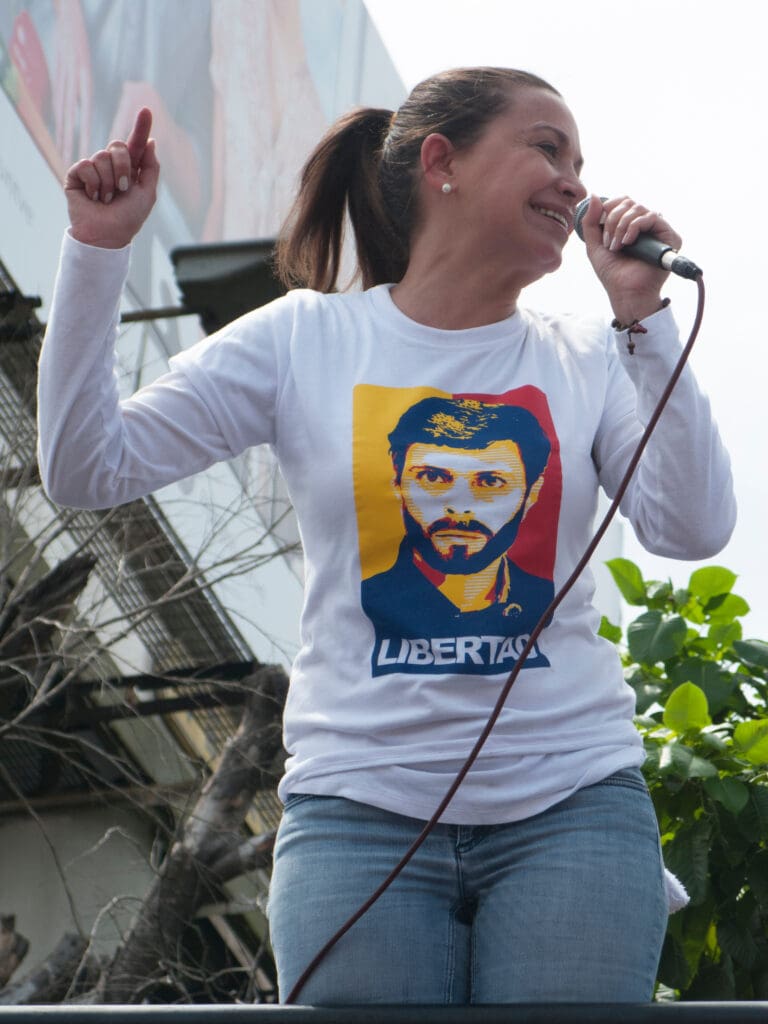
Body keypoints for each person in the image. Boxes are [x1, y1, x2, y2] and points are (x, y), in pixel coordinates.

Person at [37, 68, 736, 1005]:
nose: (577, 184)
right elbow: (87, 468)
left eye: (582, 163)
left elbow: (691, 528)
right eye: (547, 149)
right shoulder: (301, 341)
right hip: (359, 814)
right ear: (440, 162)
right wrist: (96, 251)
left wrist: (643, 317)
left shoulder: (590, 353)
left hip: (573, 805)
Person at [361, 395, 555, 675]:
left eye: (490, 482)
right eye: (433, 478)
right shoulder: (368, 597)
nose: (460, 508)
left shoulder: (543, 597)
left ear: (532, 492)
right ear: (396, 482)